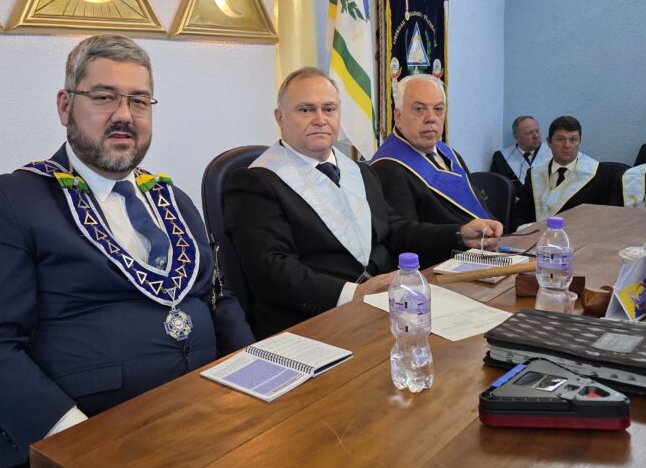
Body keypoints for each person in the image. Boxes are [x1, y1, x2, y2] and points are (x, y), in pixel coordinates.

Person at [0, 35, 253, 468]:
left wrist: (258, 375)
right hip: (84, 440)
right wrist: (80, 442)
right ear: (65, 105)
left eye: (139, 101)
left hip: (203, 418)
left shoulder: (172, 198)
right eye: (104, 97)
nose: (124, 115)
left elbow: (217, 298)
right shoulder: (10, 201)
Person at [223, 67, 502, 337]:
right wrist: (354, 294)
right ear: (280, 117)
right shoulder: (255, 182)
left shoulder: (360, 171)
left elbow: (395, 231)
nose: (320, 119)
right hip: (314, 321)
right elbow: (272, 270)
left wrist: (458, 234)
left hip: (384, 306)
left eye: (329, 109)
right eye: (306, 110)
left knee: (482, 337)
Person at [370, 74, 498, 226]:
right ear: (398, 117)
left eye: (438, 109)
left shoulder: (448, 153)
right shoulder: (388, 167)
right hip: (454, 241)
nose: (431, 118)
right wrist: (461, 234)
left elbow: (479, 208)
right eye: (419, 109)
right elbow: (404, 235)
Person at [515, 115, 616, 225]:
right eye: (560, 139)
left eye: (573, 139)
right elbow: (522, 214)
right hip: (539, 234)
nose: (567, 145)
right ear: (549, 142)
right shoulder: (534, 174)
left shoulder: (599, 174)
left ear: (579, 141)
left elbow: (606, 218)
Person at [490, 115, 551, 187]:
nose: (536, 136)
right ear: (516, 137)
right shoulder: (501, 158)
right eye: (529, 133)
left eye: (537, 131)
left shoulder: (552, 152)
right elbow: (494, 185)